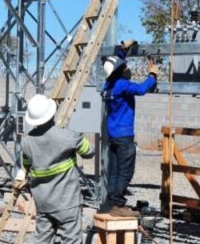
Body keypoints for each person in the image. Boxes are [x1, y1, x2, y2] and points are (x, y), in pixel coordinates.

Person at [20, 94, 93, 244]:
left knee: (42, 239)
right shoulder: (68, 137)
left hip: (43, 202)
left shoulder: (26, 142)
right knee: (71, 239)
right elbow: (89, 152)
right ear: (52, 113)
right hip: (67, 201)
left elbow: (26, 165)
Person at [98, 40, 158, 217]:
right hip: (124, 136)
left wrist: (123, 49)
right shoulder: (122, 85)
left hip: (113, 134)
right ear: (120, 71)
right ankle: (117, 204)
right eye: (125, 68)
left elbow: (116, 66)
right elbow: (140, 90)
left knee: (114, 170)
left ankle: (110, 202)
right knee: (125, 171)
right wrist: (152, 75)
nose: (127, 69)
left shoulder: (107, 86)